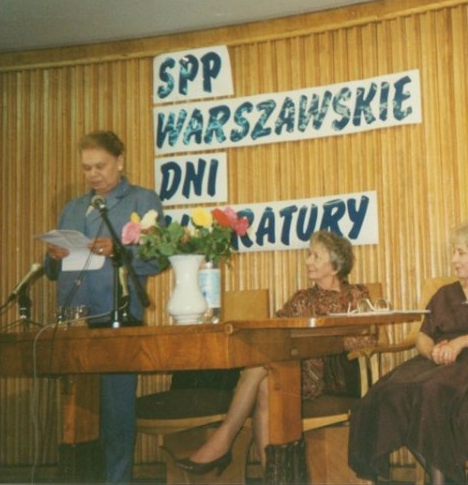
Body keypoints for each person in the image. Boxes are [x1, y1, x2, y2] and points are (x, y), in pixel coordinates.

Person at [166, 230, 372, 475]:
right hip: (293, 374)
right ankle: (271, 476)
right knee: (264, 379)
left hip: (333, 379)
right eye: (309, 255)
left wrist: (326, 341)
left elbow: (368, 338)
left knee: (260, 369)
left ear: (336, 266)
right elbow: (273, 333)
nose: (307, 261)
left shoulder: (356, 296)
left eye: (315, 256)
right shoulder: (301, 298)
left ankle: (224, 440)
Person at [348, 221, 468, 485]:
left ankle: (441, 480)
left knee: (429, 392)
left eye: (461, 253)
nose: (454, 259)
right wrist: (433, 353)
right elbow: (423, 336)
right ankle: (440, 478)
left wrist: (461, 343)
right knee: (382, 393)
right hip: (433, 363)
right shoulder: (444, 293)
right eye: (454, 252)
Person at [44, 130, 164, 484]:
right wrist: (52, 257)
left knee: (116, 412)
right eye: (86, 168)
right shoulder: (73, 208)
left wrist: (120, 249)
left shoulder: (142, 201)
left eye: (100, 166)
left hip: (118, 319)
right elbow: (53, 271)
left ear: (120, 162)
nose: (93, 174)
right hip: (74, 320)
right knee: (75, 414)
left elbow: (157, 260)